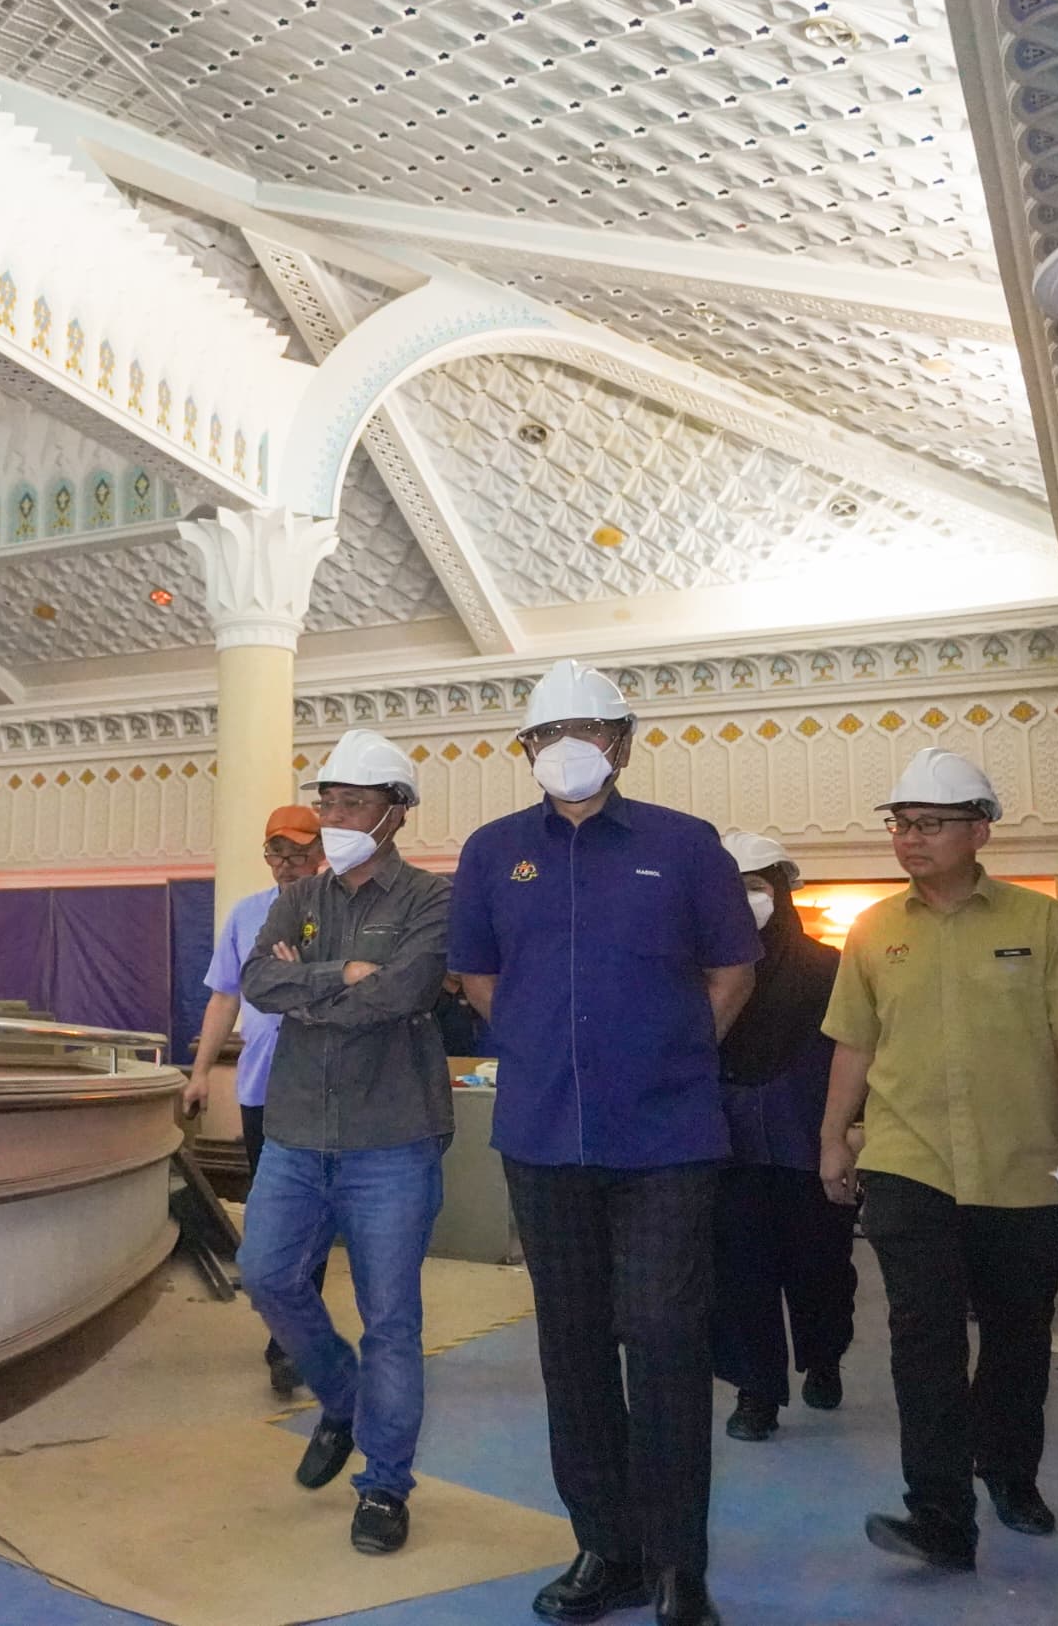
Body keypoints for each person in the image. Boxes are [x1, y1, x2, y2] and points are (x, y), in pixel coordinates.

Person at [448, 659, 760, 1626]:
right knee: (572, 1346)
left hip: (666, 1139)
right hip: (543, 1139)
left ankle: (677, 1565)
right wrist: (544, 1049)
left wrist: (668, 1056)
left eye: (586, 730)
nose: (568, 748)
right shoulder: (493, 853)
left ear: (622, 743)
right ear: (526, 750)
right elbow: (480, 979)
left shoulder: (686, 844)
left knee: (664, 1338)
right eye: (548, 734)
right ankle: (606, 1549)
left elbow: (732, 972)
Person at [817, 748, 1058, 1572]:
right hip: (907, 1163)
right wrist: (833, 1136)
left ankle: (1011, 1475)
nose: (910, 839)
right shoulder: (873, 931)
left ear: (980, 830)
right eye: (901, 824)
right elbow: (854, 1043)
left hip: (1022, 1166)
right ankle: (940, 1515)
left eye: (930, 824)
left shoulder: (1042, 924)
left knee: (1019, 1334)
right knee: (923, 1339)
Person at [238, 728, 452, 1558]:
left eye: (352, 804)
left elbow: (405, 991)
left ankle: (385, 1485)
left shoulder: (431, 900)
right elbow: (260, 981)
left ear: (396, 814)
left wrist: (311, 991)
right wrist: (340, 977)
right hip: (296, 1132)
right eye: (327, 802)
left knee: (390, 1318)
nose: (333, 818)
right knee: (266, 1275)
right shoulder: (299, 897)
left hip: (391, 1139)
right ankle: (341, 1397)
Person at [710, 831, 857, 1443]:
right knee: (740, 1273)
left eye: (755, 887)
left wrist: (846, 1135)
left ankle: (824, 1358)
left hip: (809, 1146)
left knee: (821, 1269)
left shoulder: (830, 969)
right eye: (732, 889)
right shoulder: (708, 972)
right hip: (729, 1149)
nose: (745, 901)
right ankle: (757, 1393)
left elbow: (857, 1054)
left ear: (782, 892)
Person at [183, 804, 329, 1393]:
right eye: (277, 853)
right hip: (261, 1089)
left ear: (321, 853)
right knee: (272, 1216)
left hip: (321, 1089)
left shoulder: (339, 911)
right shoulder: (246, 915)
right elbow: (224, 998)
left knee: (310, 1215)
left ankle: (292, 1342)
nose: (287, 864)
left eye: (299, 853)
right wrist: (199, 1073)